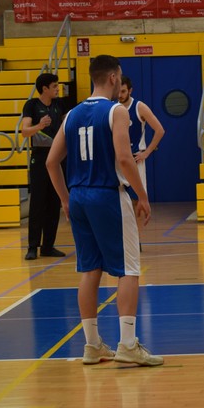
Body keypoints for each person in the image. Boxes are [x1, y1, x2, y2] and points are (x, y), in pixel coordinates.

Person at [46, 55, 164, 367]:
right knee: (128, 268)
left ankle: (93, 345)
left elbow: (51, 162)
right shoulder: (117, 111)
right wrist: (143, 196)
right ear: (113, 78)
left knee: (89, 269)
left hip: (79, 196)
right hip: (108, 195)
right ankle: (127, 344)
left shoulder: (71, 113)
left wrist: (65, 199)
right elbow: (125, 159)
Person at [20, 73, 67, 261]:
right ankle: (32, 247)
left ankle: (48, 246)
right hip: (40, 157)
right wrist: (40, 125)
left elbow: (67, 124)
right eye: (54, 86)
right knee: (38, 203)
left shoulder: (59, 105)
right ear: (45, 88)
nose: (57, 89)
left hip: (58, 157)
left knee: (54, 203)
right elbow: (24, 131)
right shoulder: (32, 105)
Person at [118, 75, 166, 197]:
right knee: (119, 200)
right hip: (118, 158)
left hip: (135, 158)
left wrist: (147, 152)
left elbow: (160, 130)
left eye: (123, 91)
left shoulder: (139, 107)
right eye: (118, 91)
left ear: (130, 90)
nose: (120, 95)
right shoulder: (112, 107)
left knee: (139, 199)